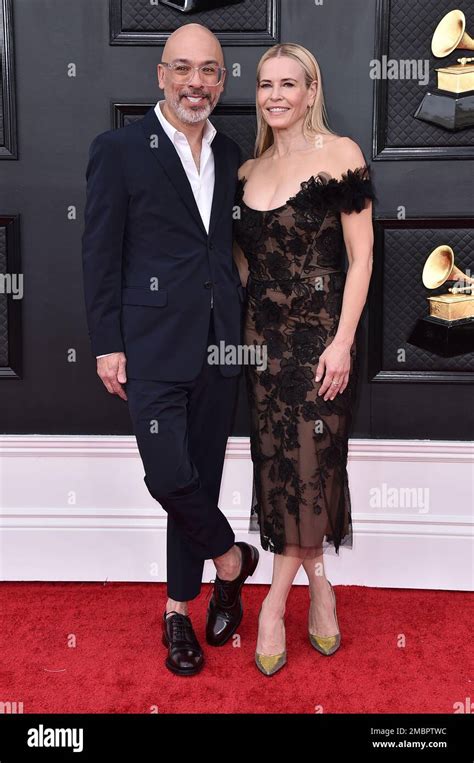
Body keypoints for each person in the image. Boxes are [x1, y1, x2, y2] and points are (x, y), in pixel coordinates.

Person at [82, 23, 259, 677]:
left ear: (221, 79)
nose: (196, 82)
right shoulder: (120, 149)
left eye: (209, 70)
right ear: (161, 75)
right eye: (183, 68)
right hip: (150, 346)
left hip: (219, 347)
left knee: (201, 478)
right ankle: (232, 561)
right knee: (170, 475)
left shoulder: (232, 151)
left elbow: (223, 246)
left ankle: (177, 612)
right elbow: (99, 253)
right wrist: (106, 345)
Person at [233, 43, 376, 675]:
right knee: (279, 469)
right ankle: (322, 587)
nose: (276, 95)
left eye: (290, 83)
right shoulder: (245, 172)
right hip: (261, 349)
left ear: (312, 91)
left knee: (312, 465)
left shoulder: (341, 155)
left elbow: (361, 256)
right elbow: (243, 262)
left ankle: (272, 605)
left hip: (321, 343)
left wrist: (344, 340)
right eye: (266, 84)